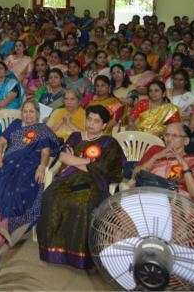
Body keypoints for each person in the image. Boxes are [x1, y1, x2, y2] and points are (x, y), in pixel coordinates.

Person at [36, 105, 126, 270]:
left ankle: (79, 256)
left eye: (96, 121)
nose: (91, 124)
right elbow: (63, 157)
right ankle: (52, 250)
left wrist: (76, 160)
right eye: (89, 119)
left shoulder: (109, 143)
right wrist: (89, 162)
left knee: (83, 202)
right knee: (51, 196)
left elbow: (103, 169)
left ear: (104, 125)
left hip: (93, 181)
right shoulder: (76, 136)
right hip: (68, 178)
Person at [0, 100, 59, 232]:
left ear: (38, 114)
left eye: (31, 111)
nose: (28, 115)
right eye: (25, 111)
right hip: (9, 162)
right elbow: (0, 144)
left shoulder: (41, 129)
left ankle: (9, 225)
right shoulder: (15, 124)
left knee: (17, 189)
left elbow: (46, 152)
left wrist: (42, 166)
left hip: (29, 165)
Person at [130, 123, 194, 208]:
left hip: (179, 206)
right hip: (147, 199)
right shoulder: (155, 150)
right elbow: (135, 176)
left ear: (186, 141)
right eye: (167, 135)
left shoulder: (193, 161)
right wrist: (154, 158)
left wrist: (185, 167)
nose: (169, 139)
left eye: (175, 136)